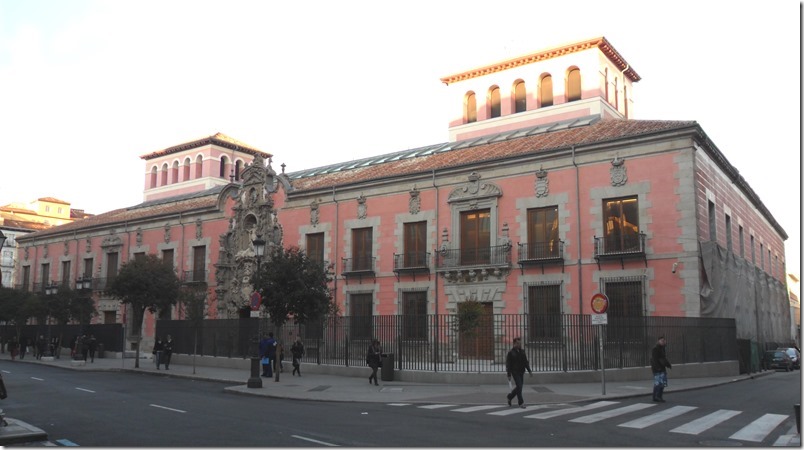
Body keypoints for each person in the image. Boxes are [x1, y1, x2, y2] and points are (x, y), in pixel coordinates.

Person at [505, 336, 533, 408]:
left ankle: (510, 397)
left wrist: (529, 370)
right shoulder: (510, 353)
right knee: (519, 386)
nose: (519, 345)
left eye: (520, 343)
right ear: (514, 344)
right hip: (515, 372)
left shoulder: (522, 352)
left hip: (521, 371)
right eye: (517, 343)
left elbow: (525, 362)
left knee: (519, 387)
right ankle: (521, 403)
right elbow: (508, 365)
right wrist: (509, 374)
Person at [650, 336, 672, 402]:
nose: (663, 342)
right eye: (662, 340)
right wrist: (658, 368)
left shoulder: (662, 348)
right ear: (658, 341)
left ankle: (659, 396)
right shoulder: (655, 349)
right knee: (658, 383)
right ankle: (656, 397)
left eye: (664, 340)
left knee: (663, 383)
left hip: (662, 368)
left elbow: (663, 358)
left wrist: (668, 364)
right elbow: (654, 360)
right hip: (657, 369)